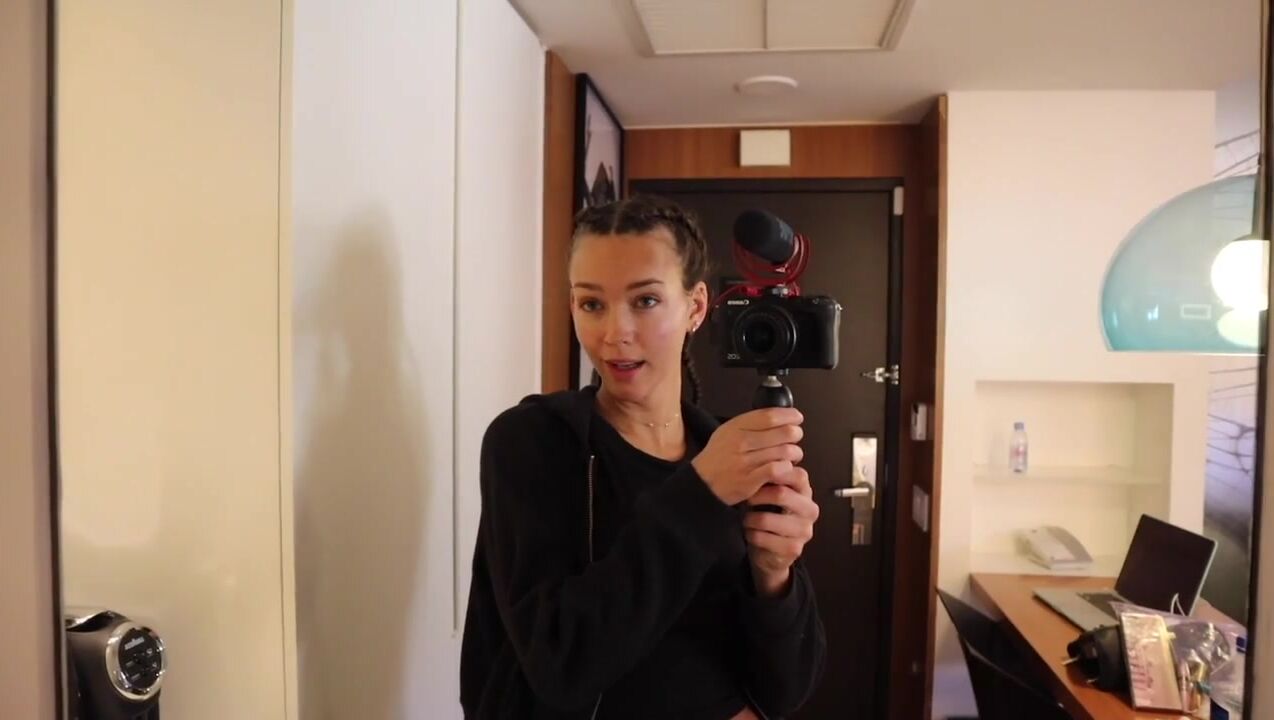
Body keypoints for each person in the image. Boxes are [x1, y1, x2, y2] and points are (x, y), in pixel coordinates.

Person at [460, 195, 826, 719]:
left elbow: (787, 690)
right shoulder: (532, 443)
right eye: (592, 304)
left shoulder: (729, 454)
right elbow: (559, 662)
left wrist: (775, 576)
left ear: (695, 307)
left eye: (646, 300)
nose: (616, 333)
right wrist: (701, 494)